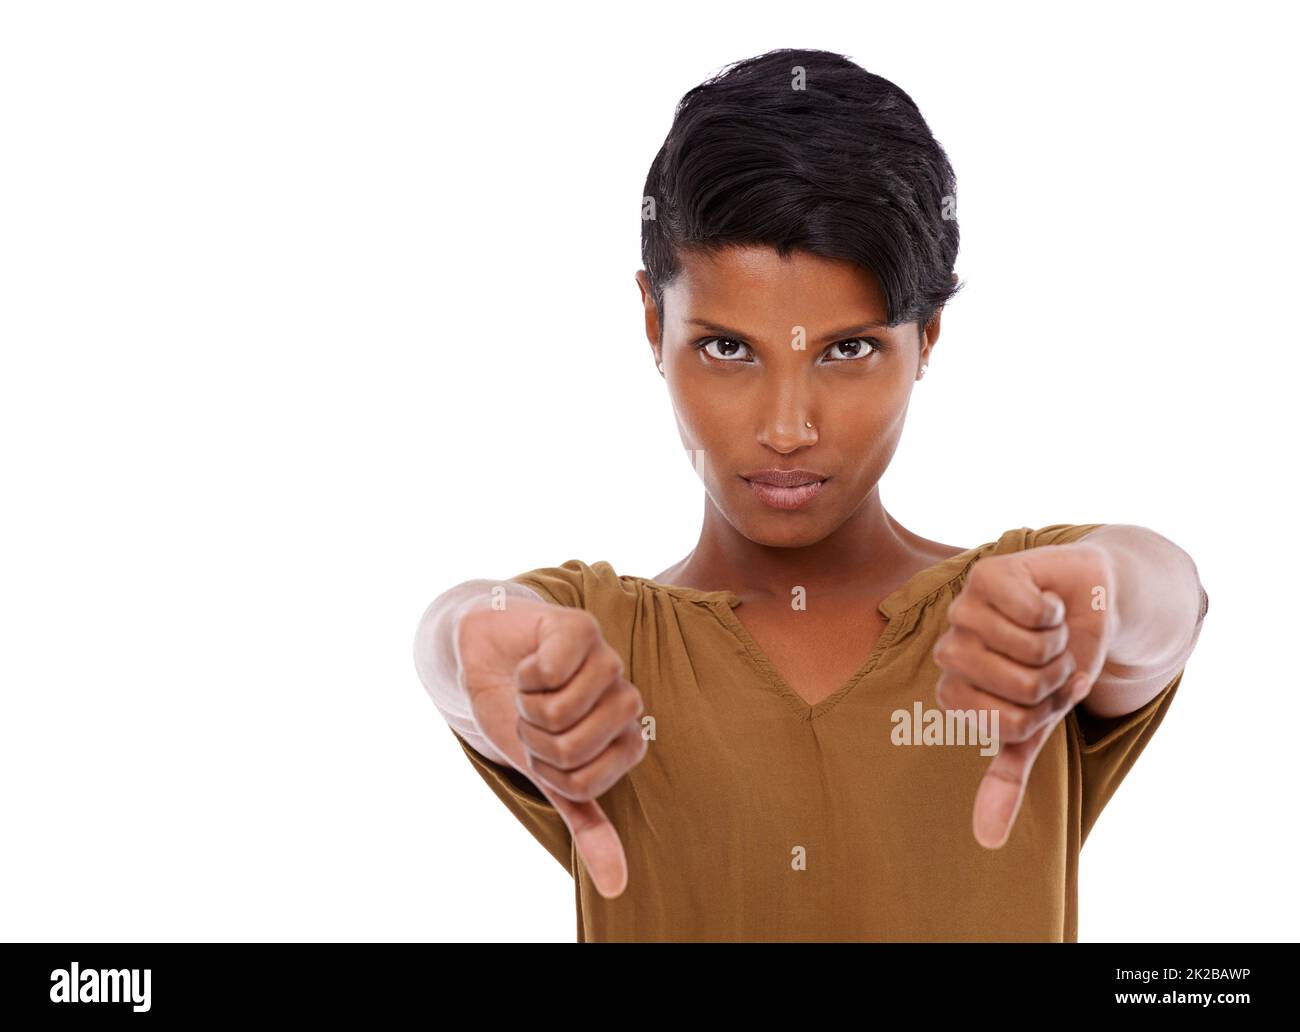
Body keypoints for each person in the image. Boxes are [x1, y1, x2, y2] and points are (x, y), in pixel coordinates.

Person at [412, 48, 1208, 942]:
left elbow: (1162, 598)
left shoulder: (1016, 625)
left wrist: (1109, 584)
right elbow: (470, 641)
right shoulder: (598, 645)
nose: (787, 427)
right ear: (653, 325)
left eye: (847, 349)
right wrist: (466, 638)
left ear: (928, 337)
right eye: (727, 349)